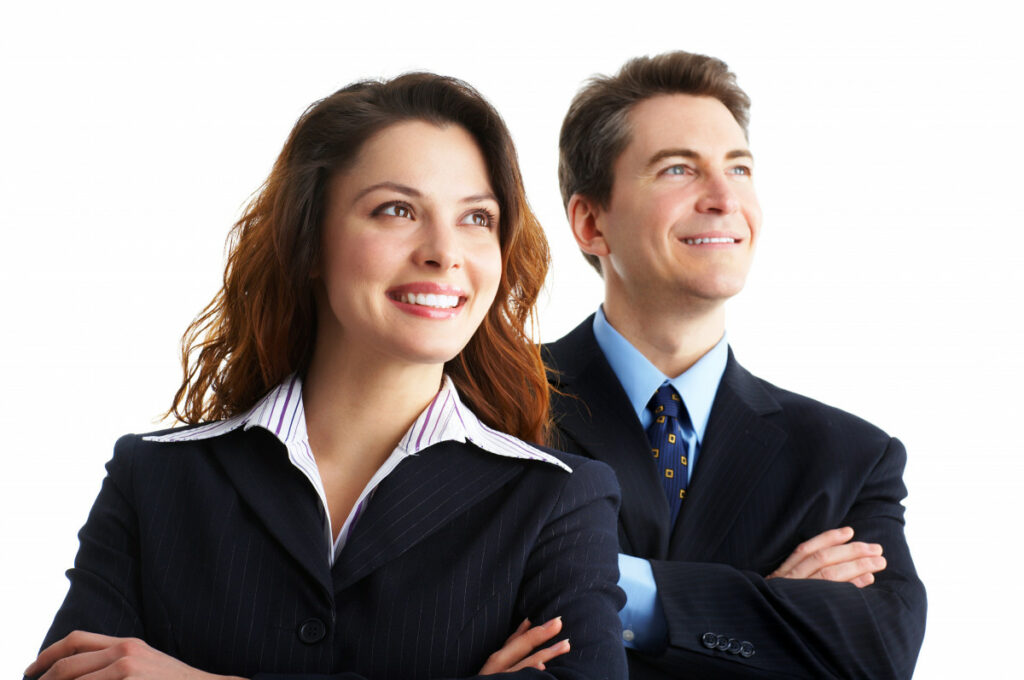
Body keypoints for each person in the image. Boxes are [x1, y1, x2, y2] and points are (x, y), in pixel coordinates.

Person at [26, 73, 627, 680]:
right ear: (309, 240)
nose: (445, 251)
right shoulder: (153, 477)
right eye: (397, 210)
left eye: (477, 218)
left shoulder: (558, 499)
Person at [544, 52, 926, 679]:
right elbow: (447, 621)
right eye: (677, 169)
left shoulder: (849, 457)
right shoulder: (491, 405)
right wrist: (770, 609)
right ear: (591, 222)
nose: (725, 198)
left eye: (739, 168)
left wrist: (620, 593)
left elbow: (876, 656)